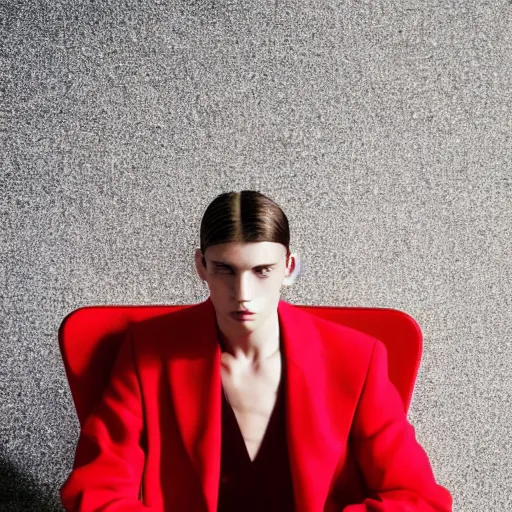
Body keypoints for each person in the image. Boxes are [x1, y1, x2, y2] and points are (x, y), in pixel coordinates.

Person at [61, 190, 453, 511]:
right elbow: (97, 491)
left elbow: (418, 498)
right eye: (225, 269)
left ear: (289, 267)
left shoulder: (356, 357)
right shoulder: (147, 351)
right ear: (201, 266)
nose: (243, 294)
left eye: (262, 270)